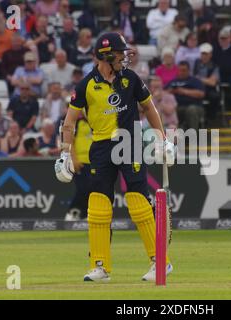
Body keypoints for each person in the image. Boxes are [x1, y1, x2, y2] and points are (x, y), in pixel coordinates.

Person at [55, 32, 175, 282]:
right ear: (106, 56)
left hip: (129, 143)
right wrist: (65, 154)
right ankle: (100, 266)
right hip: (100, 148)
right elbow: (69, 121)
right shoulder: (86, 85)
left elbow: (149, 109)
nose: (124, 57)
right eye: (120, 53)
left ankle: (160, 262)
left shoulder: (130, 78)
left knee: (138, 201)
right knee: (97, 205)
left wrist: (162, 139)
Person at [65, 114, 93, 221]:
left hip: (94, 162)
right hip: (80, 162)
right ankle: (72, 211)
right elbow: (69, 141)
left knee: (92, 189)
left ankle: (85, 214)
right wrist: (73, 159)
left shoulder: (96, 122)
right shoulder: (77, 122)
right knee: (83, 189)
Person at [166, 61, 205, 130]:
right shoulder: (173, 82)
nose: (181, 72)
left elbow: (201, 94)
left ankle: (192, 138)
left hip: (194, 106)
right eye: (180, 70)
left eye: (184, 70)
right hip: (176, 107)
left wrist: (184, 91)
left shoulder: (195, 81)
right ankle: (170, 137)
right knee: (168, 109)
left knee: (191, 110)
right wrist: (171, 92)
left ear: (189, 70)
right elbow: (164, 92)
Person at [193, 43, 220, 124]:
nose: (204, 56)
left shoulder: (214, 66)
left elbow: (212, 82)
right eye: (202, 54)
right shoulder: (196, 64)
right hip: (196, 88)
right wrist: (205, 80)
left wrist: (199, 79)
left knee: (215, 96)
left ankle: (211, 118)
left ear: (210, 55)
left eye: (206, 54)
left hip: (208, 89)